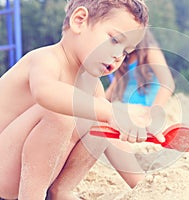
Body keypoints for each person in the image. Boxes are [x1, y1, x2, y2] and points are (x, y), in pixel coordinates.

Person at [0, 0, 166, 199]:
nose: (118, 57)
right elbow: (44, 92)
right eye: (114, 40)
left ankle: (61, 191)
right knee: (62, 112)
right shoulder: (46, 59)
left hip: (34, 174)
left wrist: (144, 187)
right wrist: (110, 111)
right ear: (79, 21)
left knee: (103, 122)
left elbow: (111, 134)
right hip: (5, 172)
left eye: (125, 52)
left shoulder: (92, 83)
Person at [47, 30, 175, 199]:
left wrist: (153, 112)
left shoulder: (148, 50)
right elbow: (112, 88)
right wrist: (102, 105)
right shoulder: (121, 57)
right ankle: (142, 185)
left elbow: (167, 83)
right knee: (109, 114)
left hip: (143, 107)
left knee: (113, 116)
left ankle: (142, 186)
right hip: (123, 105)